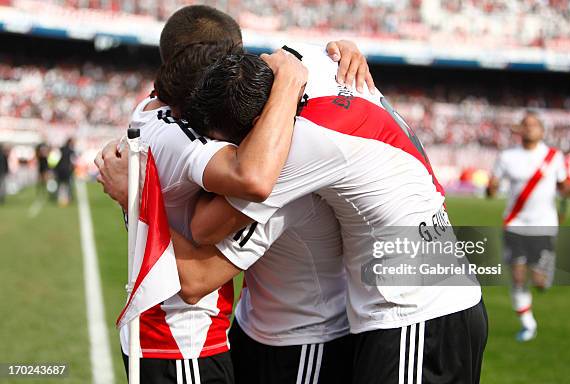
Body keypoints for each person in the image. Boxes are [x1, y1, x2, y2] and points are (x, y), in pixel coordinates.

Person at [169, 47, 487, 384]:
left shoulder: (301, 143)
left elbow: (204, 229)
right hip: (431, 300)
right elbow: (288, 57)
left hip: (416, 317)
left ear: (260, 128)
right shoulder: (322, 69)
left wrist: (138, 193)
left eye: (232, 148)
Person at [95, 5, 373, 384]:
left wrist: (335, 55)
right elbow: (254, 175)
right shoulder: (181, 137)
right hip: (184, 339)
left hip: (181, 336)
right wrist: (293, 82)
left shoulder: (151, 110)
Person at [487, 111, 570, 342]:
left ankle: (543, 276)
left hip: (544, 225)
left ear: (542, 131)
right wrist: (491, 188)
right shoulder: (507, 157)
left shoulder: (554, 157)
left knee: (539, 282)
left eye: (534, 125)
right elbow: (493, 187)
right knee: (517, 276)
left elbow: (563, 185)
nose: (529, 128)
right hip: (514, 223)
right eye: (525, 125)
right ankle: (528, 324)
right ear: (519, 130)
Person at [55, 138, 75, 206]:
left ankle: (58, 197)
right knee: (68, 184)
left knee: (59, 184)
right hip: (67, 170)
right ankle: (68, 197)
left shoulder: (61, 149)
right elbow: (73, 161)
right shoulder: (71, 150)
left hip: (59, 169)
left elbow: (55, 159)